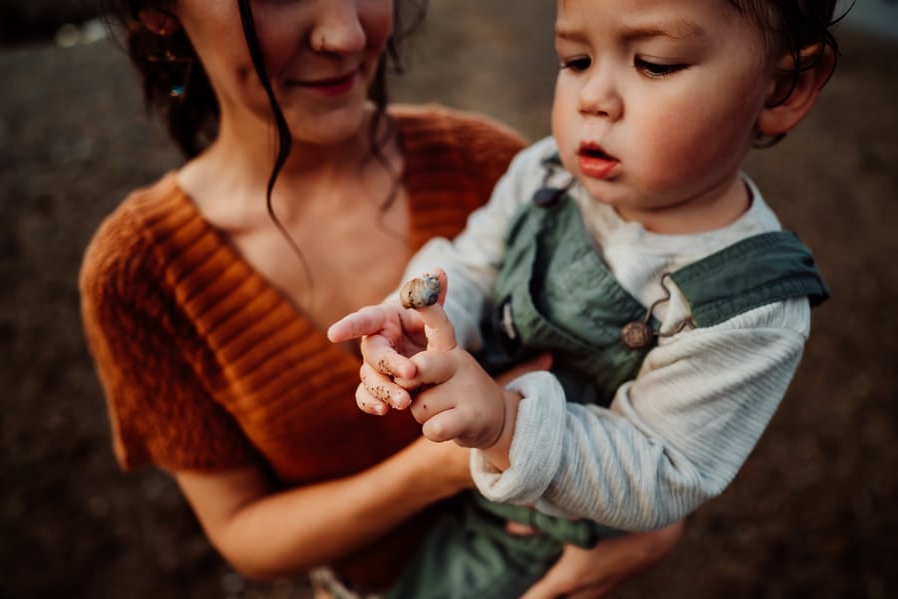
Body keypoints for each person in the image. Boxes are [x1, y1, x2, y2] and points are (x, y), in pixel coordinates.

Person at [79, 1, 685, 597]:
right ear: (157, 11)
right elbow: (242, 532)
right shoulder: (140, 277)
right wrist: (456, 459)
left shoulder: (493, 170)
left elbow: (658, 375)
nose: (345, 33)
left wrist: (656, 528)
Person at [328, 0, 840, 596]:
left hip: (532, 536)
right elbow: (473, 263)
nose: (593, 96)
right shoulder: (546, 172)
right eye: (576, 58)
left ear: (786, 87)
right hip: (437, 458)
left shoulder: (751, 303)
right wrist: (418, 319)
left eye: (653, 63)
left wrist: (506, 424)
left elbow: (662, 470)